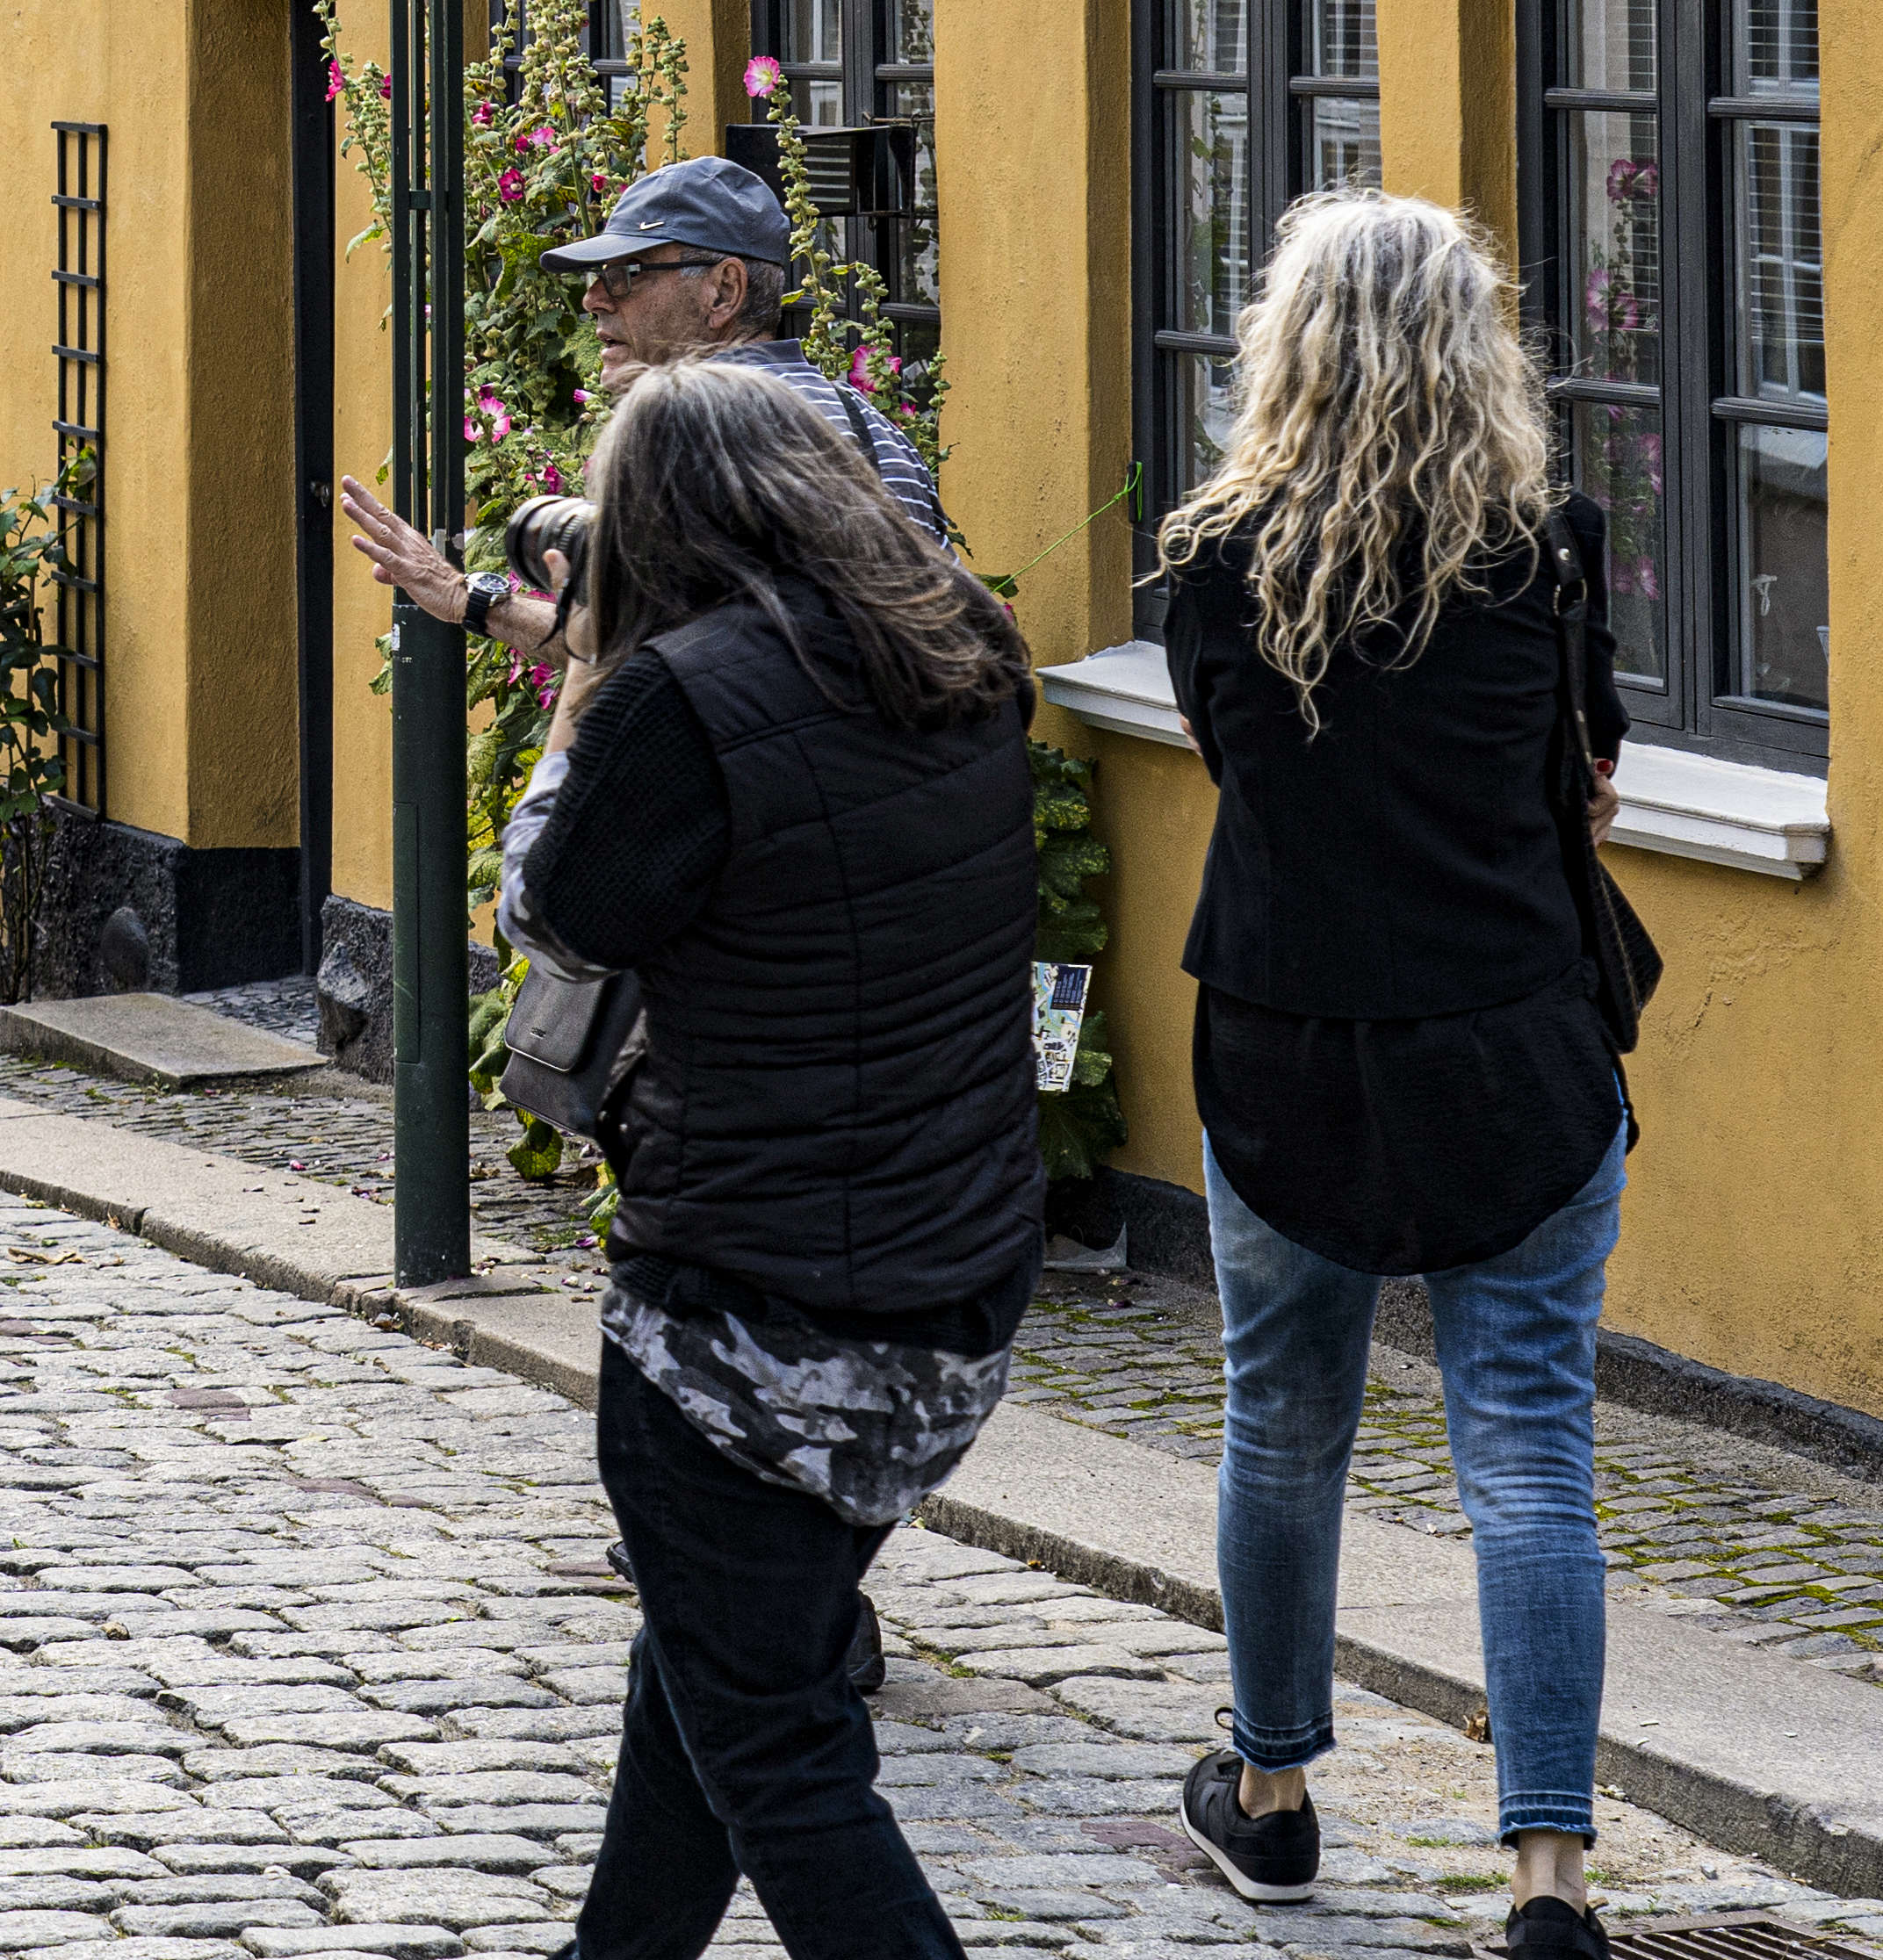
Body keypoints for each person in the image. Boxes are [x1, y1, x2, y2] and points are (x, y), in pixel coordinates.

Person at [498, 357, 1044, 1960]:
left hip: (745, 1319)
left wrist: (589, 677)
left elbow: (555, 912)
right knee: (715, 1679)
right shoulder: (962, 654)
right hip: (949, 1289)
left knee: (782, 1753)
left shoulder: (681, 697)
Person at [1150, 191, 1634, 1960]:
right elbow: (1588, 786)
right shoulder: (1549, 549)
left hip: (1291, 1047)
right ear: (1473, 344)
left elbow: (1235, 765)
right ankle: (1549, 1877)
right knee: (1531, 1451)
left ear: (1287, 341)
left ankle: (1273, 1800)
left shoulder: (1215, 561)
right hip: (1516, 1040)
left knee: (1282, 1425)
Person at [337, 156, 942, 658]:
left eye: (627, 274)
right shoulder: (875, 431)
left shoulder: (688, 434)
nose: (594, 299)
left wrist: (463, 596)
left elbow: (625, 648)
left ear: (723, 290)